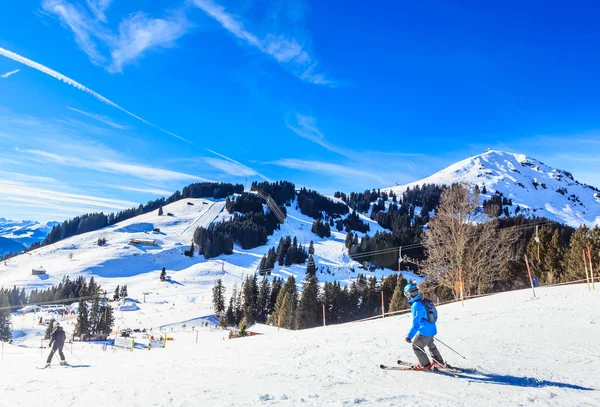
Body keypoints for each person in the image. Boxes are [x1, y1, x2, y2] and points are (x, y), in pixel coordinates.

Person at [404, 283, 445, 370]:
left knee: (416, 346)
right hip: (432, 329)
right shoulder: (424, 301)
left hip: (424, 332)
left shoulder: (416, 305)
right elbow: (435, 316)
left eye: (407, 294)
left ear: (409, 294)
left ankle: (425, 365)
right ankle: (439, 362)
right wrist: (429, 326)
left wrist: (409, 336)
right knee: (430, 345)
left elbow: (416, 324)